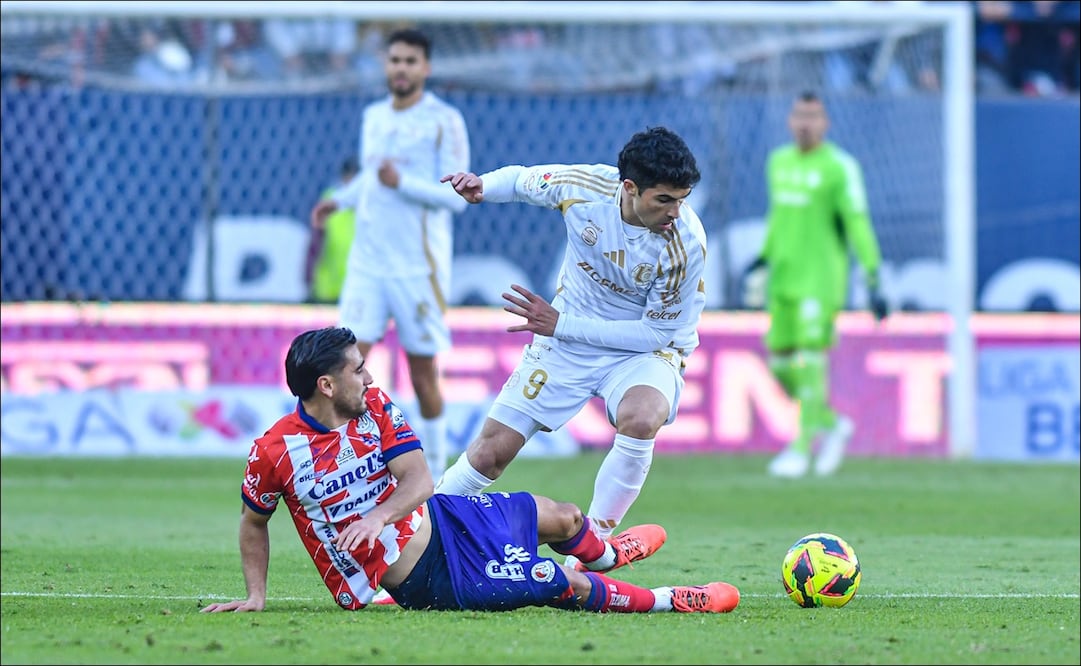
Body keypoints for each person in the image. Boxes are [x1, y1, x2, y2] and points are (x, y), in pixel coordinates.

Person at [199, 326, 740, 615]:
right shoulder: (274, 452)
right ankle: (674, 600)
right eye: (357, 370)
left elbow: (420, 481)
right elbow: (254, 522)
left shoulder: (378, 405)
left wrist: (380, 516)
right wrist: (256, 595)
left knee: (563, 516)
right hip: (433, 577)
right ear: (326, 386)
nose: (368, 376)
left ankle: (611, 553)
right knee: (563, 582)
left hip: (447, 520)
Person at [436, 127, 707, 564]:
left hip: (641, 350)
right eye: (665, 200)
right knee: (490, 453)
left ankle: (588, 556)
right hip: (566, 342)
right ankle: (419, 537)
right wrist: (483, 186)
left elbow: (656, 334)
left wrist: (561, 324)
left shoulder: (685, 243)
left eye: (682, 198)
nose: (676, 211)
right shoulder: (584, 188)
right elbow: (526, 181)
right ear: (630, 188)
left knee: (641, 418)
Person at [310, 28, 470, 483]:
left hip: (417, 268)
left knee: (422, 375)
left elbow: (457, 197)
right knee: (342, 366)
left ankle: (438, 477)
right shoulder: (374, 116)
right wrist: (339, 200)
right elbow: (371, 177)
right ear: (387, 65)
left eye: (410, 61)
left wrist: (405, 184)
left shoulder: (444, 120)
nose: (401, 68)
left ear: (426, 68)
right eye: (395, 60)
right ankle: (339, 465)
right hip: (369, 264)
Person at [742, 91, 888, 479]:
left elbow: (857, 222)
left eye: (813, 116)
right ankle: (832, 423)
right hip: (784, 277)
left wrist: (873, 274)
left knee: (811, 361)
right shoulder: (778, 162)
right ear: (791, 121)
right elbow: (779, 217)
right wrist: (763, 257)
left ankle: (802, 447)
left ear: (825, 123)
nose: (805, 123)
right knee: (779, 363)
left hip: (820, 279)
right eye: (799, 115)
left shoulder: (840, 167)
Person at [306, 156, 359, 304]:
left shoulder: (372, 205)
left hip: (358, 289)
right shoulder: (330, 201)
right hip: (328, 290)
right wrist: (309, 277)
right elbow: (315, 243)